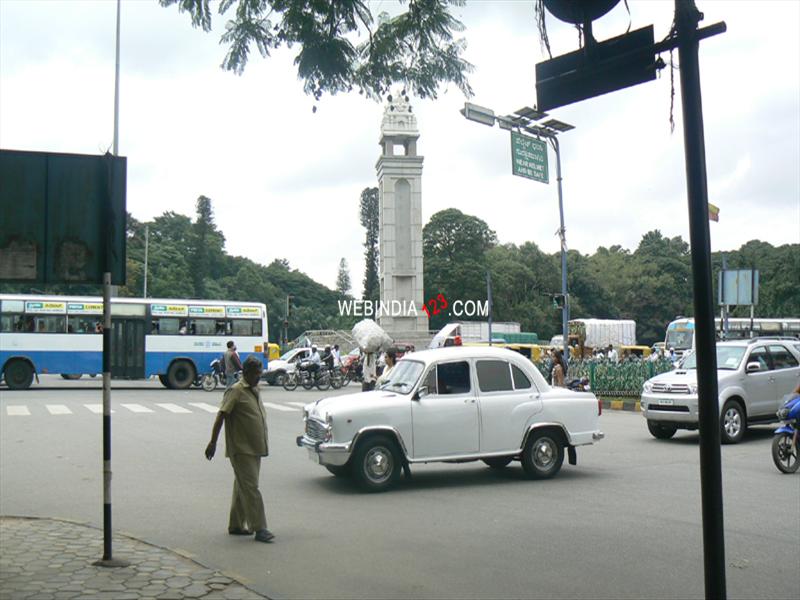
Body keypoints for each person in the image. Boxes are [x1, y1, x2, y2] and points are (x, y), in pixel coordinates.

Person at [205, 356, 274, 543]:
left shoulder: (254, 389)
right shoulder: (236, 391)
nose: (259, 377)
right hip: (241, 448)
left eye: (260, 374)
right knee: (251, 488)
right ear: (246, 373)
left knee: (242, 485)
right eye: (256, 374)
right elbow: (221, 416)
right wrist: (213, 442)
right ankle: (260, 527)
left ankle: (236, 524)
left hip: (255, 447)